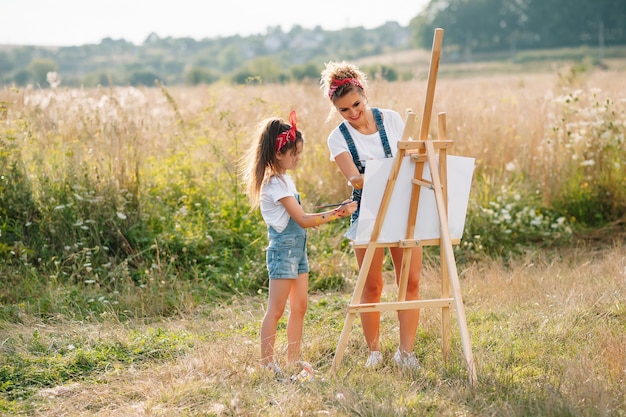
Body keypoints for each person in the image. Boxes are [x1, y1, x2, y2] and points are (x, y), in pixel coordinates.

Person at [320, 61, 423, 369]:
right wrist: (381, 174)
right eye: (344, 110)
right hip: (367, 211)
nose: (353, 114)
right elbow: (355, 179)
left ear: (364, 94)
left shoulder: (391, 119)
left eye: (356, 105)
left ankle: (406, 353)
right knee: (372, 284)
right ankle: (374, 352)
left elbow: (413, 157)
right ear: (336, 109)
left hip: (404, 208)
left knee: (411, 280)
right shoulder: (337, 138)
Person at [242, 110, 357, 378]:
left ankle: (293, 360)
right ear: (278, 153)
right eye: (294, 153)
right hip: (283, 252)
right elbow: (304, 220)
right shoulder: (273, 184)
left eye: (299, 153)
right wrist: (338, 213)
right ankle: (267, 364)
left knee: (301, 306)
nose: (298, 158)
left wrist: (335, 211)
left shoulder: (285, 178)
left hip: (298, 252)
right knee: (277, 309)